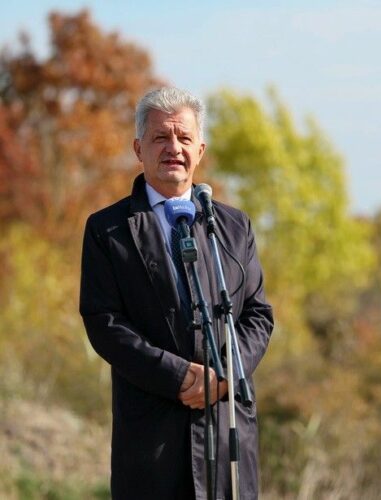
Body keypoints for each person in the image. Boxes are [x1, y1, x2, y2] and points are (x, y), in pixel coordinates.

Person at [80, 87, 274, 499]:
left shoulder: (233, 225)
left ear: (200, 150)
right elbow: (104, 322)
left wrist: (225, 373)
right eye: (160, 138)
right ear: (138, 148)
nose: (174, 149)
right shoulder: (108, 229)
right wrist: (177, 375)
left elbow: (258, 315)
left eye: (184, 138)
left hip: (226, 430)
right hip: (153, 436)